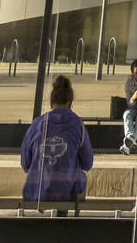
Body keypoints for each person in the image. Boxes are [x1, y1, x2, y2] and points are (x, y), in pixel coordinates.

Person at [22, 74, 94, 209]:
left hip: (36, 192)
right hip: (67, 193)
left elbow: (26, 164)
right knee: (79, 177)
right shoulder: (78, 125)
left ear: (51, 101)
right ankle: (63, 218)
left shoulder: (36, 124)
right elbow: (87, 164)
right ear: (70, 102)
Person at [121, 59, 137, 154]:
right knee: (127, 114)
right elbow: (128, 104)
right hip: (133, 107)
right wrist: (134, 97)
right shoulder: (128, 82)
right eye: (136, 73)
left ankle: (128, 143)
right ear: (132, 73)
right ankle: (132, 139)